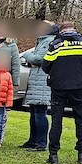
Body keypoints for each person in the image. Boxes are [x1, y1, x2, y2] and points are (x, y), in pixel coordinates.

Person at [42, 21, 82, 164]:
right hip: (79, 87)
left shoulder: (56, 45)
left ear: (61, 30)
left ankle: (53, 155)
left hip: (59, 87)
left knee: (56, 121)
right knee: (81, 120)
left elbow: (45, 66)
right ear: (74, 29)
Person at [20, 22, 58, 151]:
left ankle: (41, 143)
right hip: (37, 80)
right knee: (33, 112)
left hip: (42, 82)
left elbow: (38, 59)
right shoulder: (42, 40)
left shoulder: (49, 41)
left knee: (40, 113)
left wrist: (25, 54)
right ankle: (33, 140)